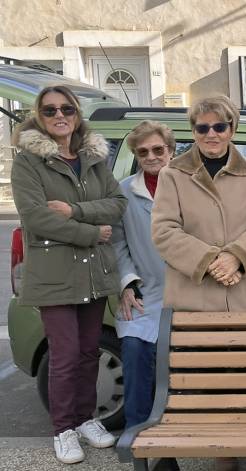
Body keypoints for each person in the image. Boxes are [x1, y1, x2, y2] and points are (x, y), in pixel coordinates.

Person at [151, 96, 246, 471]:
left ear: (232, 129)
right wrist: (211, 261)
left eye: (219, 126)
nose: (211, 134)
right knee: (210, 381)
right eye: (202, 127)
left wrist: (237, 256)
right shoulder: (172, 175)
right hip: (197, 294)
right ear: (192, 131)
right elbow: (163, 230)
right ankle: (223, 451)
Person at [10, 85, 126, 464]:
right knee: (64, 354)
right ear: (38, 118)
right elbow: (36, 217)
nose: (60, 116)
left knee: (90, 351)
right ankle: (63, 430)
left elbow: (117, 204)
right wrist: (91, 232)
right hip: (55, 274)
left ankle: (85, 419)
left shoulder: (93, 157)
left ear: (76, 114)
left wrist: (75, 212)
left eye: (67, 109)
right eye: (50, 110)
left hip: (92, 272)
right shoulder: (28, 162)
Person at [109, 120, 180, 470]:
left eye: (158, 150)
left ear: (171, 150)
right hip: (145, 292)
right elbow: (118, 244)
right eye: (143, 152)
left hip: (189, 292)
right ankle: (144, 445)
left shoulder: (190, 185)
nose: (151, 157)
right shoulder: (123, 191)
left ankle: (172, 441)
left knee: (180, 367)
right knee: (136, 350)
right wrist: (126, 280)